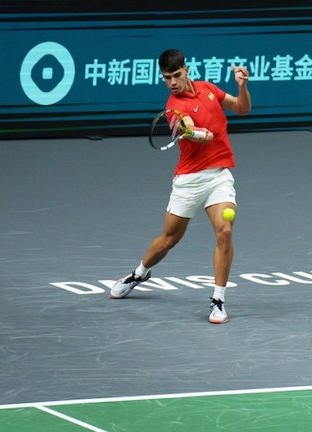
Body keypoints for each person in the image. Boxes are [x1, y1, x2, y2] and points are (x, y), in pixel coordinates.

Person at [110, 48, 251, 324]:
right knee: (169, 239)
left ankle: (218, 300)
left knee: (224, 230)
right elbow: (187, 127)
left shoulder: (209, 89)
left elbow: (242, 108)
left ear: (186, 70)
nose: (172, 82)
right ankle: (140, 273)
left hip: (218, 175)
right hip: (188, 181)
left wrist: (242, 87)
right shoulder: (173, 107)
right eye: (166, 78)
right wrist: (199, 134)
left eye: (176, 75)